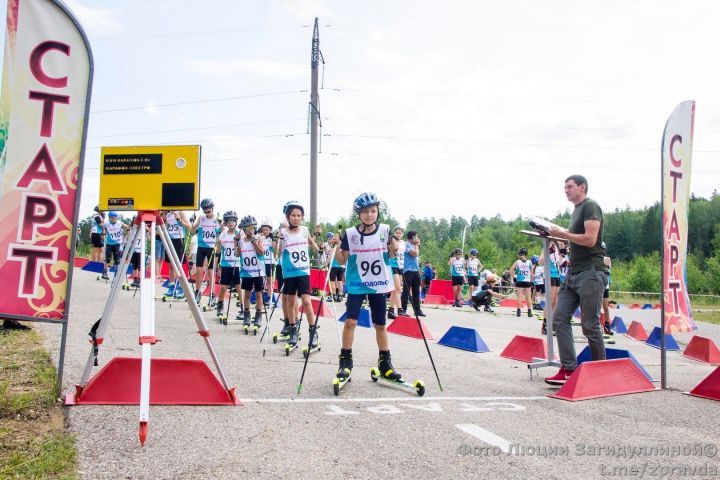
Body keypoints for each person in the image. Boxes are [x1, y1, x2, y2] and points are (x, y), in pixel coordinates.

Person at [333, 192, 404, 383]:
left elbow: (390, 258)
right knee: (351, 322)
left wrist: (393, 249)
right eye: (365, 212)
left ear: (378, 212)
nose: (370, 215)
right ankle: (345, 362)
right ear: (359, 214)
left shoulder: (385, 231)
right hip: (357, 284)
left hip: (378, 284)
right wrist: (336, 247)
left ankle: (385, 364)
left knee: (380, 324)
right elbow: (342, 259)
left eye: (373, 211)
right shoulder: (351, 233)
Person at [545, 174, 608, 385]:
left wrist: (564, 234)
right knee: (559, 318)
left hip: (591, 272)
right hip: (573, 272)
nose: (566, 190)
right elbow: (577, 240)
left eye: (570, 187)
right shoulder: (576, 211)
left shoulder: (591, 206)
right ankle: (569, 368)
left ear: (582, 187)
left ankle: (600, 371)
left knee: (589, 324)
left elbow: (590, 240)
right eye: (565, 187)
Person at [278, 201, 320, 348]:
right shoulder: (282, 232)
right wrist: (277, 240)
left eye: (298, 215)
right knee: (290, 302)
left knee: (307, 302)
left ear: (302, 217)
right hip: (289, 272)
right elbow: (277, 253)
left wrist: (318, 250)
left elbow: (309, 242)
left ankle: (313, 331)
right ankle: (293, 329)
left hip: (303, 271)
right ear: (288, 217)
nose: (296, 218)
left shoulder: (304, 229)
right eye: (293, 215)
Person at [237, 215, 266, 330]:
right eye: (248, 228)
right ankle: (246, 314)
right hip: (247, 272)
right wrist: (236, 242)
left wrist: (254, 243)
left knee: (259, 293)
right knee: (247, 293)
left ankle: (258, 315)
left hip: (258, 271)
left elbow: (261, 252)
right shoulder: (241, 240)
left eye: (252, 228)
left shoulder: (258, 238)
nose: (250, 231)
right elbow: (237, 254)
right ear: (244, 229)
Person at [191, 198, 220, 303]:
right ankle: (197, 292)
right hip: (201, 247)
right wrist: (193, 223)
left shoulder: (217, 219)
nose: (207, 213)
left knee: (210, 272)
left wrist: (220, 227)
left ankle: (212, 294)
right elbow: (192, 231)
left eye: (209, 211)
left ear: (212, 209)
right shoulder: (201, 218)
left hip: (211, 247)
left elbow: (221, 232)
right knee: (198, 271)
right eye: (205, 211)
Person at [215, 211, 241, 318]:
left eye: (233, 221)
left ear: (236, 222)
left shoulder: (239, 233)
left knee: (239, 287)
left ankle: (244, 309)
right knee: (223, 287)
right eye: (229, 221)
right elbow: (218, 249)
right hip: (225, 264)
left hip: (237, 264)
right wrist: (217, 264)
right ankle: (220, 305)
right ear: (226, 222)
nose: (231, 223)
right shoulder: (223, 234)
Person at [164, 210, 191, 298]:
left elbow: (189, 227)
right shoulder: (168, 214)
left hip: (179, 239)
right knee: (171, 265)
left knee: (178, 265)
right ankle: (171, 286)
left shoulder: (181, 212)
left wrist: (179, 220)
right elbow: (167, 227)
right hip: (170, 240)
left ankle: (181, 287)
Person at [401, 231, 425, 316]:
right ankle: (403, 310)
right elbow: (415, 254)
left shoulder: (415, 245)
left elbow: (418, 256)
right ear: (412, 237)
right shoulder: (406, 244)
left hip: (416, 270)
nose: (418, 239)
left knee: (416, 291)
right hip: (408, 270)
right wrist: (417, 245)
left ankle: (417, 310)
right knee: (406, 291)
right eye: (416, 237)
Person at [509, 247, 534, 317]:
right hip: (527, 281)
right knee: (528, 297)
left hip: (519, 281)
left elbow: (510, 270)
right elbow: (532, 273)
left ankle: (518, 312)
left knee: (519, 297)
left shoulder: (517, 262)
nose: (520, 256)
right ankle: (529, 312)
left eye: (521, 255)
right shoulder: (529, 262)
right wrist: (532, 281)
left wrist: (514, 277)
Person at [388, 226, 405, 319]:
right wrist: (393, 239)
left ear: (402, 234)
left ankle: (390, 310)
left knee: (395, 290)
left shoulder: (403, 243)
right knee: (398, 288)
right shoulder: (392, 241)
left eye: (400, 233)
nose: (398, 234)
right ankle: (400, 309)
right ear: (394, 233)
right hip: (393, 265)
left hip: (400, 266)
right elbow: (394, 249)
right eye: (397, 232)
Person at [102, 212, 126, 280]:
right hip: (109, 243)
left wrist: (127, 227)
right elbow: (104, 229)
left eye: (115, 218)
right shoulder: (107, 224)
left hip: (117, 243)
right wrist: (103, 232)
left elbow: (125, 226)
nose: (114, 220)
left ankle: (116, 273)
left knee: (117, 259)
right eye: (112, 218)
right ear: (109, 218)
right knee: (108, 258)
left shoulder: (119, 223)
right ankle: (105, 272)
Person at [259, 219, 275, 304]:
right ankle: (260, 296)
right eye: (263, 230)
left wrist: (274, 240)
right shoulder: (261, 238)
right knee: (261, 279)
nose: (265, 231)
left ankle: (269, 297)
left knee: (269, 279)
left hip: (270, 261)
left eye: (267, 230)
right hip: (262, 261)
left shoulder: (272, 239)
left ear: (270, 230)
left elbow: (274, 247)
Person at [602, 242, 613, 335]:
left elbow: (606, 265)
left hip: (605, 286)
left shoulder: (607, 259)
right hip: (596, 286)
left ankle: (607, 326)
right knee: (595, 308)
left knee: (605, 307)